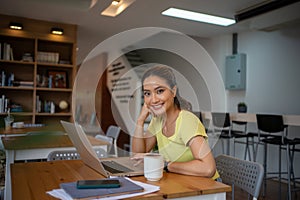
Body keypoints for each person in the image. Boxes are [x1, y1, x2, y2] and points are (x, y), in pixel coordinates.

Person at [131, 65, 219, 179]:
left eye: (160, 91)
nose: (153, 100)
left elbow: (208, 168)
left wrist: (166, 165)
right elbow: (138, 155)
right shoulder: (158, 120)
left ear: (173, 91)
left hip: (206, 189)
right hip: (181, 182)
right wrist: (140, 121)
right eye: (147, 93)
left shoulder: (186, 121)